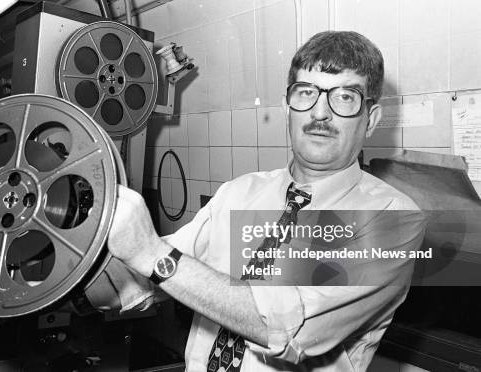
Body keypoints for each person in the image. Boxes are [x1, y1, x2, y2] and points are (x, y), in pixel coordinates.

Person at [107, 31, 427, 371]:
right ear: (287, 108)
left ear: (371, 119)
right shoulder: (238, 192)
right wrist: (77, 261)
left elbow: (288, 329)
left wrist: (152, 255)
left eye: (345, 97)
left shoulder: (392, 219)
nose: (320, 113)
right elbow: (138, 279)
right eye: (306, 93)